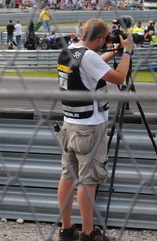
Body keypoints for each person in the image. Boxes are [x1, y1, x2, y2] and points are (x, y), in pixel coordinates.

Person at [56, 18, 133, 241]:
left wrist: (114, 52)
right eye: (104, 40)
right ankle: (89, 233)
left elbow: (91, 64)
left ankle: (66, 228)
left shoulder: (69, 49)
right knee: (88, 180)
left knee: (67, 176)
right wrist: (126, 53)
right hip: (90, 127)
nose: (105, 43)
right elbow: (119, 77)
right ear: (99, 39)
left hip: (69, 123)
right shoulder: (89, 57)